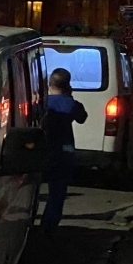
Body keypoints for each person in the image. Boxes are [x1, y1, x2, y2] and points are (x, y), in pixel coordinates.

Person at [41, 67, 88, 238]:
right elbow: (82, 118)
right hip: (64, 150)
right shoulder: (71, 104)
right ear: (68, 84)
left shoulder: (43, 102)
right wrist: (70, 97)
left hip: (43, 149)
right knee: (58, 190)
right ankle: (49, 224)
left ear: (49, 83)